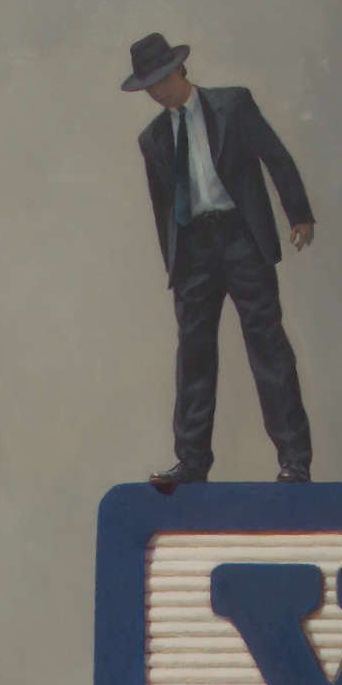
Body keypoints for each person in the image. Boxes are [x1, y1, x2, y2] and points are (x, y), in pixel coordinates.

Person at [122, 31, 316, 486]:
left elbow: (275, 156)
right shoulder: (152, 139)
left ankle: (294, 459)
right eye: (146, 86)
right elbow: (163, 207)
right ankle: (191, 462)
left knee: (267, 346)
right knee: (193, 355)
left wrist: (299, 213)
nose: (154, 92)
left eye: (158, 80)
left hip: (241, 238)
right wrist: (175, 259)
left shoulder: (233, 106)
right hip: (193, 251)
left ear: (178, 71)